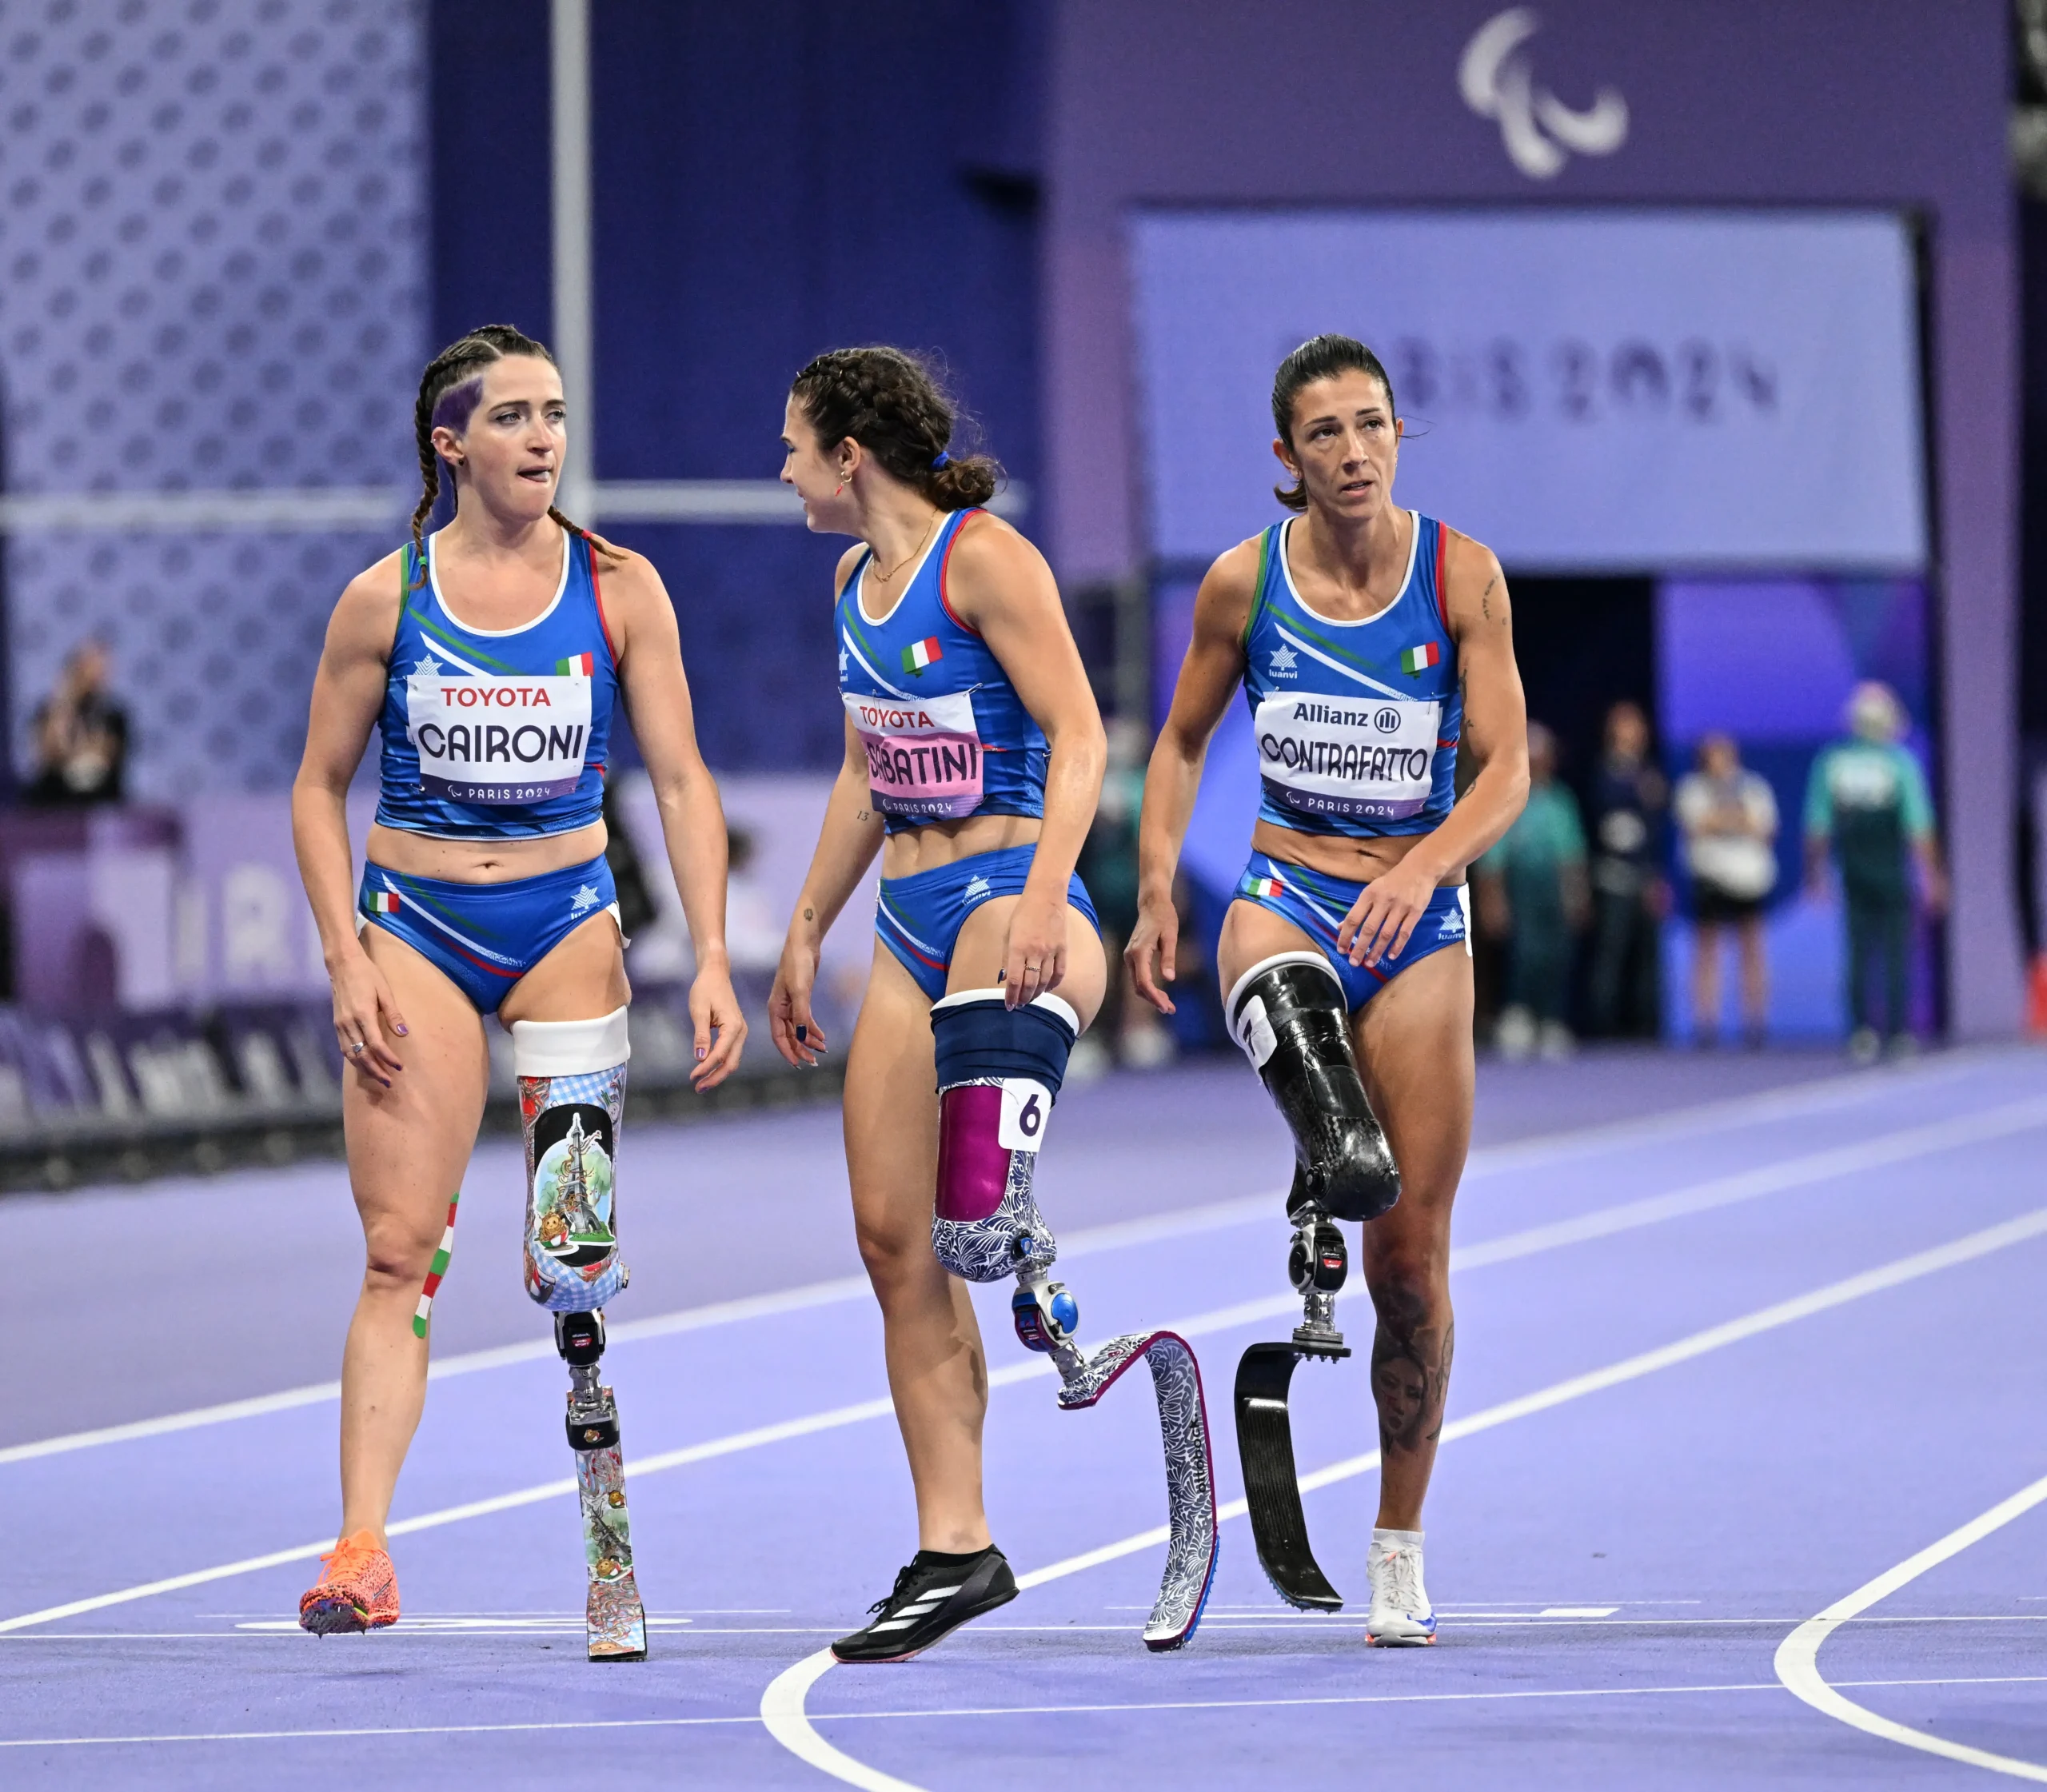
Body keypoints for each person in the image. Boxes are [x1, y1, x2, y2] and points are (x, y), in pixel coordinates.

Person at [289, 325, 744, 1645]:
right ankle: (362, 1550)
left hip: (562, 929)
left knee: (573, 1261)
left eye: (554, 413)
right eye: (513, 417)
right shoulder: (385, 599)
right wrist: (343, 957)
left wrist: (713, 953)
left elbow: (681, 780)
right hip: (416, 931)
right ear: (452, 444)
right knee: (398, 1251)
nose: (544, 437)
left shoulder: (620, 590)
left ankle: (610, 1555)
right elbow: (318, 787)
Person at [1129, 333, 1530, 1645]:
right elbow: (1180, 741)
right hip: (1287, 894)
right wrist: (1154, 887)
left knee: (1408, 1263)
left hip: (1415, 921)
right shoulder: (1243, 583)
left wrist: (1421, 868)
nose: (1354, 452)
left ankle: (1398, 1545)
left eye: (1372, 425)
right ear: (1287, 457)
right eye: (1325, 434)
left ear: (1399, 434)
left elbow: (1507, 770)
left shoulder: (1462, 575)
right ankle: (1328, 1136)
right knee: (1342, 1128)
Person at [767, 347, 1111, 1662]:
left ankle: (1037, 1270)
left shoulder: (985, 562)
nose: (783, 471)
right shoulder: (852, 586)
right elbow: (869, 770)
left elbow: (1081, 734)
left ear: (850, 454)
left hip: (1006, 896)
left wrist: (1047, 895)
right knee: (888, 1237)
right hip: (908, 920)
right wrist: (809, 924)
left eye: (794, 446)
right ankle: (957, 1546)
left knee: (969, 1213)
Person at [1803, 680, 1947, 1062]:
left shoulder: (1831, 762)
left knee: (1857, 951)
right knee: (1896, 950)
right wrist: (1932, 875)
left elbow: (1817, 828)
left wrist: (1814, 874)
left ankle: (1861, 1031)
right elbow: (1918, 827)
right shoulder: (1899, 762)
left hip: (1854, 870)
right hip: (1889, 870)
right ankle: (1898, 1031)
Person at [1474, 721, 1586, 1060]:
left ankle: (1551, 1018)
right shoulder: (1507, 798)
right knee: (1524, 954)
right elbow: (1493, 860)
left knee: (1557, 954)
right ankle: (1518, 1014)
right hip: (1520, 888)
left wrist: (1578, 896)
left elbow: (1572, 857)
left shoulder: (1561, 801)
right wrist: (1493, 900)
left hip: (1553, 889)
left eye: (1544, 758)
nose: (1539, 764)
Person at [1675, 732, 1778, 1048]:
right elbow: (1697, 825)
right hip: (1710, 876)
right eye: (1713, 753)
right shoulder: (1692, 789)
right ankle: (1705, 1023)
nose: (1719, 758)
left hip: (1749, 878)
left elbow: (1763, 827)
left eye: (1724, 752)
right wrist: (1737, 819)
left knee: (1752, 946)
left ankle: (1755, 1022)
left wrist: (1722, 820)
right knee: (1707, 949)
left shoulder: (1754, 787)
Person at [1584, 700, 1667, 1038]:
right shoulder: (1604, 772)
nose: (1632, 731)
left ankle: (1645, 1026)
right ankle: (1602, 1026)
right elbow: (1601, 813)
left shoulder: (1651, 774)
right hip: (1612, 876)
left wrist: (1656, 878)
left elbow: (1657, 827)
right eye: (1624, 724)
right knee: (1610, 953)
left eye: (1636, 724)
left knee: (1647, 957)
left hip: (1644, 878)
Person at [26, 639, 129, 806]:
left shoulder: (113, 717)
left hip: (101, 798)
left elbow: (106, 757)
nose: (95, 676)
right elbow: (48, 755)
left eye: (101, 669)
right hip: (57, 799)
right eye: (88, 667)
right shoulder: (51, 711)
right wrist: (63, 704)